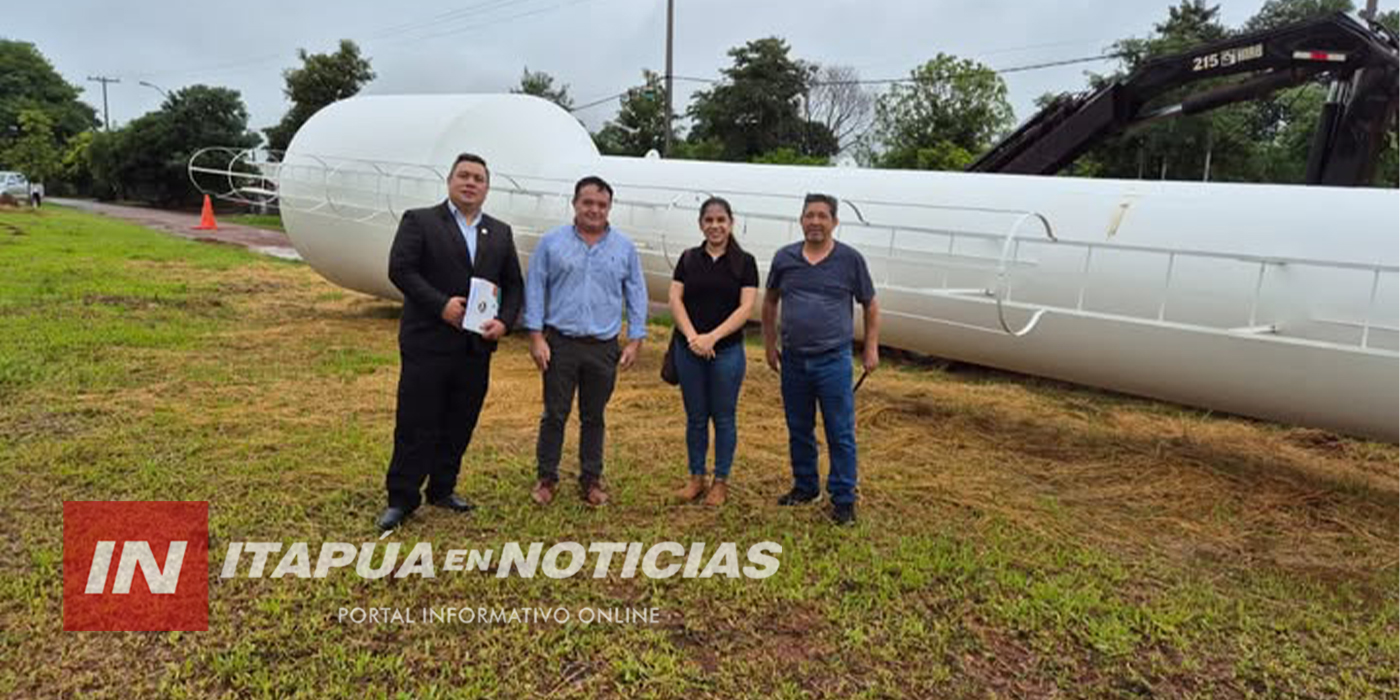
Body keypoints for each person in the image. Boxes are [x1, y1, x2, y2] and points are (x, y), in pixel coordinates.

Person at [376, 153, 524, 531]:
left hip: (475, 348)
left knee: (460, 421)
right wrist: (440, 305)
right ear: (450, 181)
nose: (471, 183)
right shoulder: (420, 221)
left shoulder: (500, 232)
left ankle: (443, 488)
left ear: (487, 188)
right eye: (464, 176)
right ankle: (402, 497)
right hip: (427, 342)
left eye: (478, 178)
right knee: (415, 420)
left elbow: (513, 285)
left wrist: (504, 323)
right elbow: (401, 269)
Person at [523, 176, 648, 507]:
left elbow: (636, 292)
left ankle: (591, 479)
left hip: (603, 346)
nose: (594, 209)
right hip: (560, 343)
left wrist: (636, 338)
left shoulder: (623, 248)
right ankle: (547, 477)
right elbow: (535, 288)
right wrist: (535, 336)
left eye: (602, 204)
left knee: (594, 415)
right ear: (575, 204)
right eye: (588, 203)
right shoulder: (552, 243)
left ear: (609, 208)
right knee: (555, 413)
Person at [762, 193, 880, 525]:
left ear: (834, 222)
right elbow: (770, 302)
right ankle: (805, 486)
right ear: (801, 220)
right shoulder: (784, 259)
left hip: (834, 360)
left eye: (822, 216)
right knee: (799, 427)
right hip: (794, 361)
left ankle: (843, 498)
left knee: (839, 431)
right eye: (809, 215)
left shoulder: (850, 260)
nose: (815, 221)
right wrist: (769, 344)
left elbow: (870, 304)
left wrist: (871, 348)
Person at [668, 197, 758, 506]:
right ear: (701, 224)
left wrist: (712, 338)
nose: (715, 226)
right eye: (709, 220)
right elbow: (675, 299)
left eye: (721, 220)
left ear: (731, 223)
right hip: (688, 350)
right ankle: (696, 478)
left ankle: (720, 481)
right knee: (695, 417)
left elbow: (746, 308)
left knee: (723, 417)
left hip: (727, 352)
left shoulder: (744, 263)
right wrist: (693, 337)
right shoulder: (689, 258)